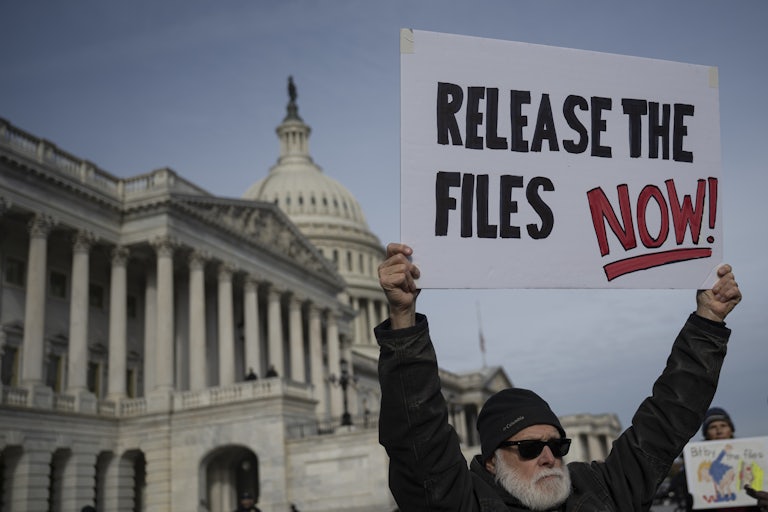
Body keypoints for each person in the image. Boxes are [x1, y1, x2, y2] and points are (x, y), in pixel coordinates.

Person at [375, 242, 744, 512]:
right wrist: (403, 322)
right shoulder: (462, 503)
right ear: (491, 462)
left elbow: (668, 419)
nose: (549, 456)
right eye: (530, 448)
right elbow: (418, 434)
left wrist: (708, 322)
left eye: (557, 445)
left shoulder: (601, 491)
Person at [663, 407, 768, 511]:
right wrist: (688, 468)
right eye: (713, 427)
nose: (719, 431)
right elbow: (676, 486)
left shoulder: (750, 454)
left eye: (723, 425)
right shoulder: (696, 461)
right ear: (706, 433)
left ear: (731, 430)